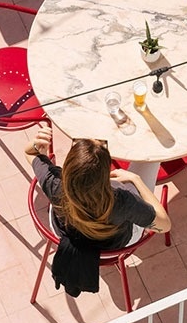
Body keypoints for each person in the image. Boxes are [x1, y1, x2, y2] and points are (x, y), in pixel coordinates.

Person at [25, 124, 170, 295]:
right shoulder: (122, 201)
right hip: (112, 248)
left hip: (65, 234)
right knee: (151, 153)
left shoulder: (56, 185)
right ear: (106, 175)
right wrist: (135, 179)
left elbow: (30, 153)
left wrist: (35, 145)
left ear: (68, 170)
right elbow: (164, 225)